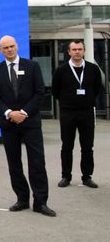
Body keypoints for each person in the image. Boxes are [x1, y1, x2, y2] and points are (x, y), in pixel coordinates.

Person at [0, 36, 55, 217]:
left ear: (17, 47)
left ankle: (40, 202)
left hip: (30, 122)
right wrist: (10, 113)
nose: (9, 50)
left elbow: (40, 92)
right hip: (8, 123)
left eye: (11, 46)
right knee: (14, 163)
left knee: (37, 162)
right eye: (5, 48)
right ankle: (22, 199)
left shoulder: (32, 66)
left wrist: (24, 113)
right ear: (0, 50)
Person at [52, 40, 104, 188]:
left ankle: (87, 176)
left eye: (80, 49)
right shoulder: (61, 70)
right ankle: (66, 176)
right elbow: (55, 91)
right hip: (68, 113)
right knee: (67, 146)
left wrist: (86, 100)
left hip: (86, 112)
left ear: (84, 51)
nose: (77, 52)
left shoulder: (93, 69)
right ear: (68, 52)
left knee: (87, 146)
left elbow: (97, 88)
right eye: (74, 49)